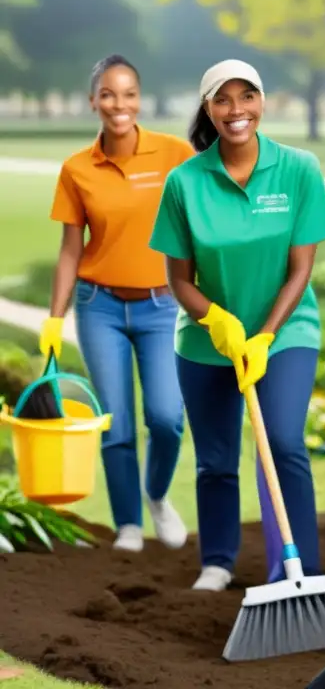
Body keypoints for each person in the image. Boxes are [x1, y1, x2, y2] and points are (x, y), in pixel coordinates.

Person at [148, 59, 325, 591]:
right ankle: (218, 561)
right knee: (214, 461)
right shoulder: (185, 182)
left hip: (286, 332)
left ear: (262, 101)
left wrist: (265, 335)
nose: (237, 111)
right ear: (208, 109)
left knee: (282, 441)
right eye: (223, 100)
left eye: (247, 96)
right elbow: (178, 280)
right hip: (208, 343)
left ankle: (297, 572)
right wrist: (217, 321)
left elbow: (301, 268)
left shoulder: (299, 168)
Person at [42, 54, 194, 553]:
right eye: (108, 94)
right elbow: (70, 249)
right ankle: (128, 523)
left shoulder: (174, 154)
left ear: (140, 98)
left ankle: (156, 497)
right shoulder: (77, 169)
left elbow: (205, 219)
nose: (119, 104)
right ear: (93, 102)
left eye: (128, 94)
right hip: (99, 305)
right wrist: (54, 317)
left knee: (167, 417)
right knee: (117, 425)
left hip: (162, 306)